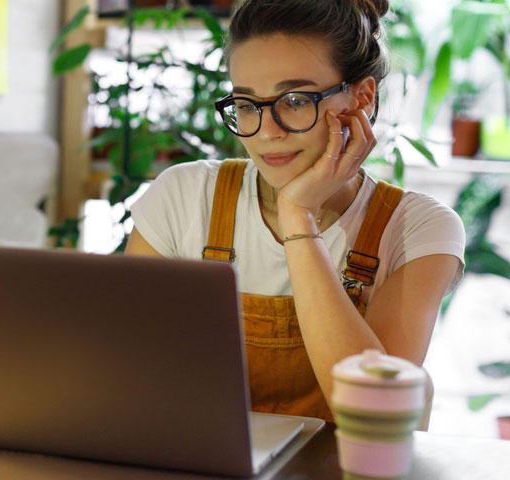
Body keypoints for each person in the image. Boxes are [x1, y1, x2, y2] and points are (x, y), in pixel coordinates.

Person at [124, 0, 465, 422]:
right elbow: (125, 373)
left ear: (361, 98)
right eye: (247, 105)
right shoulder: (184, 196)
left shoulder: (417, 229)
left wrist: (298, 216)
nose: (266, 132)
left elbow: (377, 412)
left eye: (296, 100)